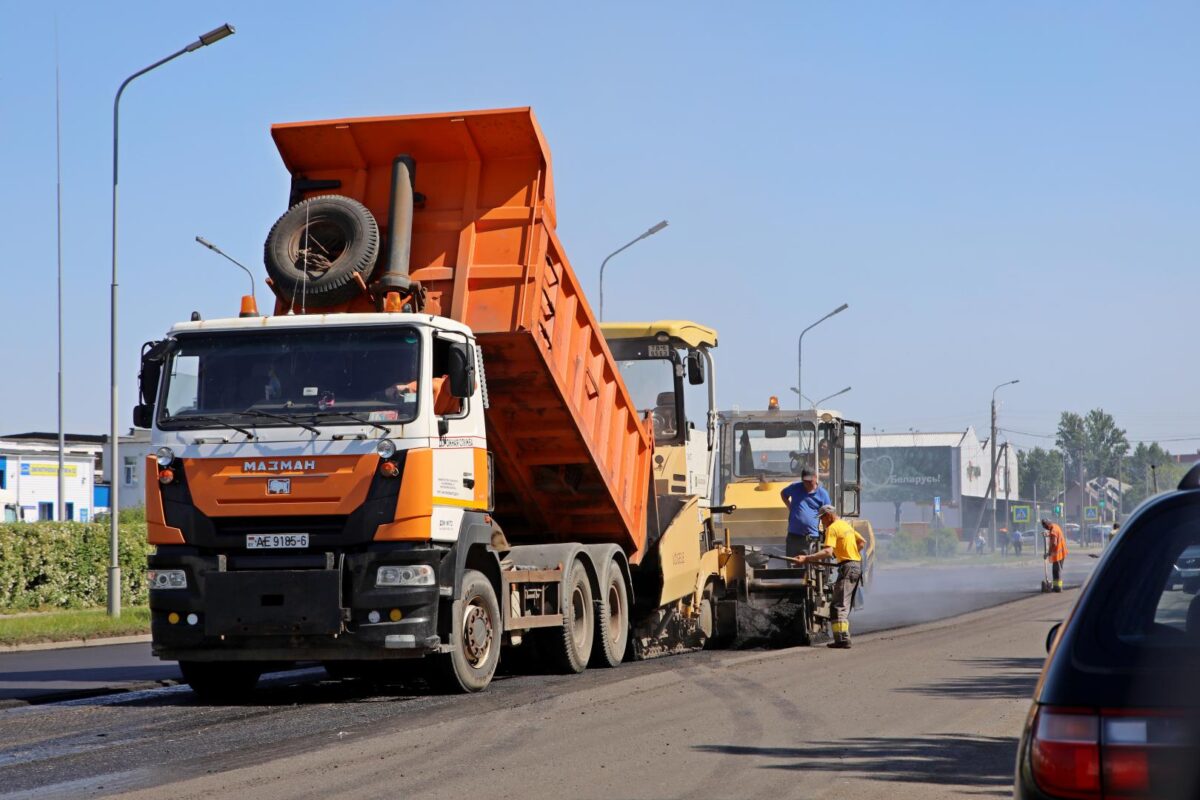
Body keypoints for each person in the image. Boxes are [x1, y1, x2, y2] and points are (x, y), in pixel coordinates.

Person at [795, 504, 868, 648]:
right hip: (854, 565)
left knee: (838, 605)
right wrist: (849, 555)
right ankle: (842, 638)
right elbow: (862, 542)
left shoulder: (832, 528)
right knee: (843, 604)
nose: (821, 522)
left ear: (828, 515)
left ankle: (842, 640)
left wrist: (806, 558)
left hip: (848, 567)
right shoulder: (845, 525)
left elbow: (828, 552)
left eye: (822, 518)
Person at [779, 468, 831, 558]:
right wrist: (789, 506)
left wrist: (827, 533)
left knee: (809, 565)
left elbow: (828, 513)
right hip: (793, 536)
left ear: (815, 478)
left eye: (810, 481)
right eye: (805, 481)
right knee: (792, 564)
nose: (808, 484)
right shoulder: (795, 487)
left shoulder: (822, 494)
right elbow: (783, 493)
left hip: (811, 538)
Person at [1042, 518, 1069, 592]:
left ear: (1048, 523)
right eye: (1044, 527)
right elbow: (1053, 534)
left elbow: (1054, 543)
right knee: (1056, 570)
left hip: (1058, 553)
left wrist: (1049, 553)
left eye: (1046, 526)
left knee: (1056, 571)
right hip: (1061, 552)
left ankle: (1058, 587)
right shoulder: (1055, 526)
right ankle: (1056, 587)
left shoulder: (1053, 530)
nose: (1045, 528)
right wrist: (1047, 534)